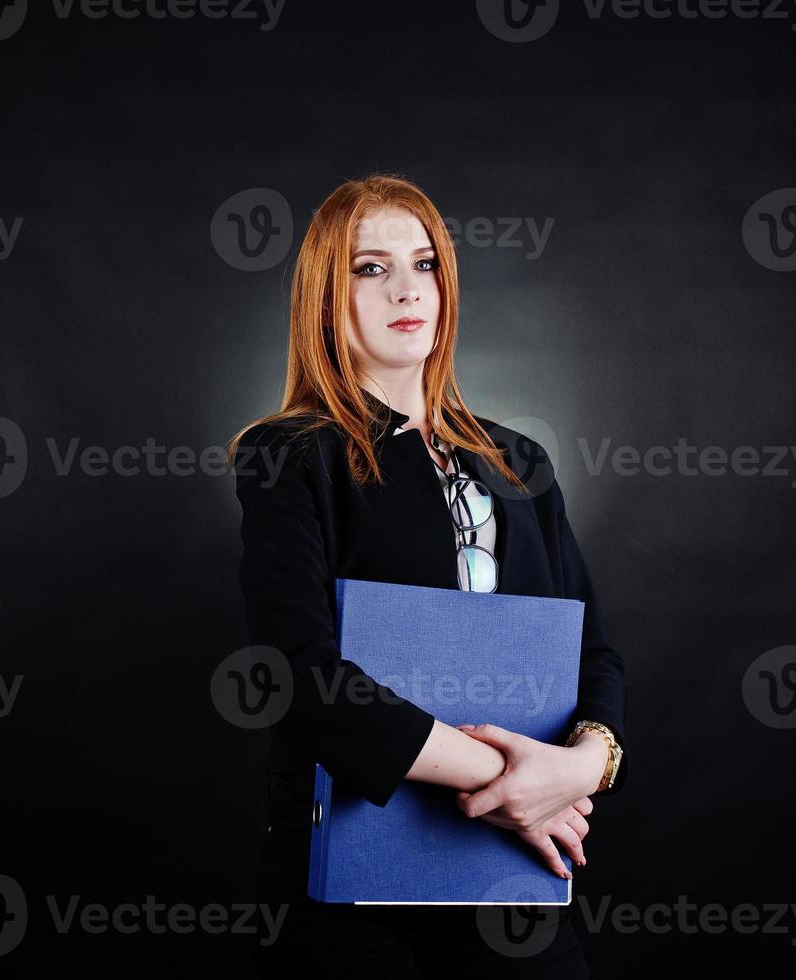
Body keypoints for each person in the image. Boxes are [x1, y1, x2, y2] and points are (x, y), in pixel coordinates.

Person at [226, 173, 628, 979]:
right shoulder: (289, 455)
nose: (406, 289)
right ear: (323, 297)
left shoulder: (519, 463)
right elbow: (298, 677)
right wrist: (511, 781)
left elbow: (591, 654)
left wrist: (583, 765)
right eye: (369, 268)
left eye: (425, 264)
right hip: (350, 878)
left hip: (507, 866)